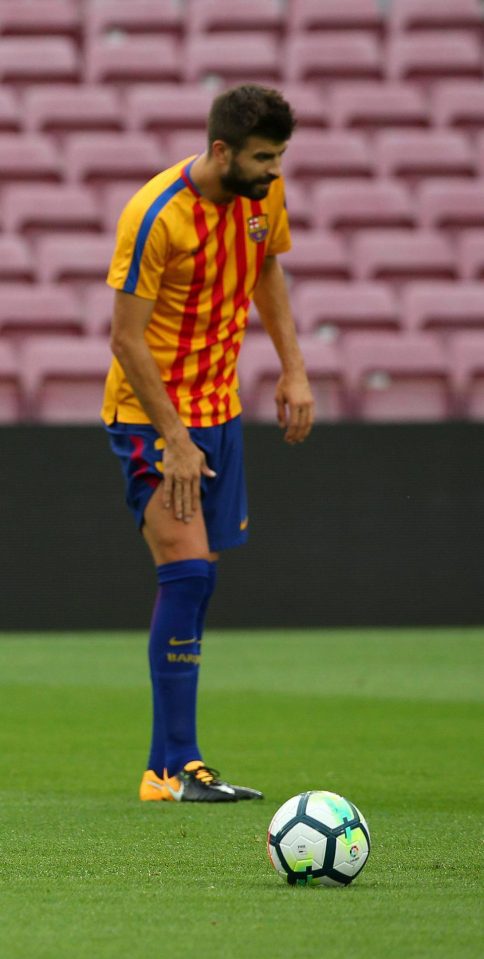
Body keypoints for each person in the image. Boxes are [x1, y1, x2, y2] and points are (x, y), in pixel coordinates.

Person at [102, 84, 314, 803]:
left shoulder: (263, 200)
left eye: (280, 156)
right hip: (150, 418)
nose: (273, 170)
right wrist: (174, 437)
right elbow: (125, 339)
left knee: (201, 579)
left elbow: (267, 272)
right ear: (221, 150)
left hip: (218, 412)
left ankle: (174, 768)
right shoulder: (155, 215)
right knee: (187, 571)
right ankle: (170, 768)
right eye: (263, 156)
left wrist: (293, 367)